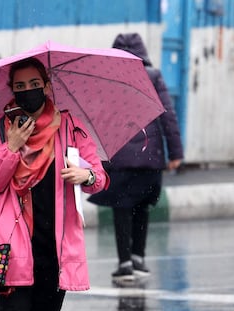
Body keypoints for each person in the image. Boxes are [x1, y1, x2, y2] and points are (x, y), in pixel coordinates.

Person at [0, 57, 109, 311]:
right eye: (20, 86)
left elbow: (99, 178)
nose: (28, 90)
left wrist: (85, 175)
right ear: (12, 90)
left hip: (55, 252)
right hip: (9, 251)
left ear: (47, 86)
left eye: (34, 83)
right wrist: (11, 148)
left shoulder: (70, 127)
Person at [88, 33, 184, 283]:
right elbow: (168, 116)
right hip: (150, 156)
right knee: (143, 205)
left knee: (122, 208)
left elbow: (97, 119)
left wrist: (93, 155)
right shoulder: (152, 77)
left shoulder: (107, 79)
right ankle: (139, 258)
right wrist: (175, 153)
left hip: (118, 157)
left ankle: (125, 263)